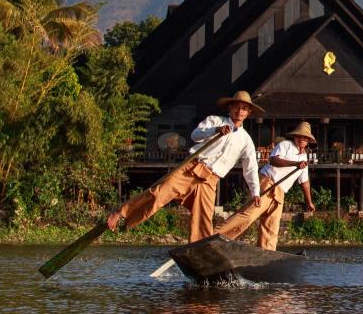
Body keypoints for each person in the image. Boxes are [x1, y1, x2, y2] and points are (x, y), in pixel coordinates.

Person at [107, 90, 263, 241]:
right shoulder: (215, 121)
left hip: (210, 180)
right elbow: (195, 135)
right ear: (230, 107)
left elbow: (250, 168)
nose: (240, 111)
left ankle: (199, 251)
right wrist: (215, 131)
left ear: (248, 112)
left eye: (244, 108)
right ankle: (122, 213)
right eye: (237, 106)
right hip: (191, 168)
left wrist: (255, 192)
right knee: (159, 193)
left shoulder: (246, 140)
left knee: (202, 219)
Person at [216, 121, 317, 250]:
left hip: (280, 190)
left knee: (272, 225)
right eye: (299, 136)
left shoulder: (304, 158)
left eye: (305, 138)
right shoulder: (286, 145)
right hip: (267, 182)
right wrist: (294, 164)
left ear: (308, 140)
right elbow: (273, 160)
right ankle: (215, 236)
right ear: (295, 137)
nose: (301, 139)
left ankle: (266, 252)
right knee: (249, 214)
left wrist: (309, 201)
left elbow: (305, 182)